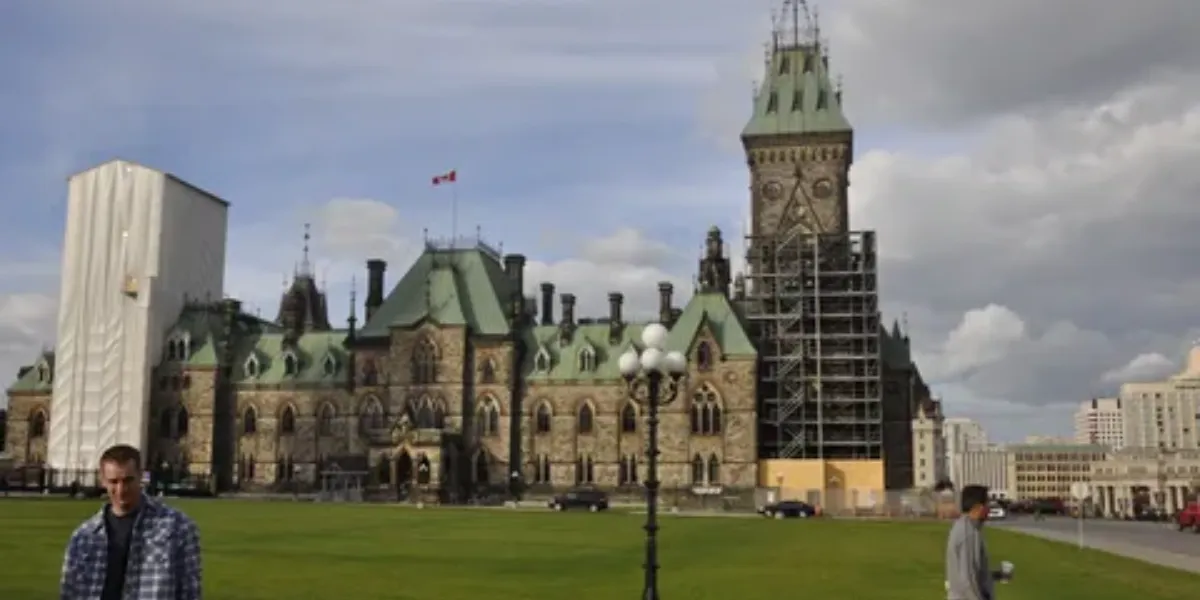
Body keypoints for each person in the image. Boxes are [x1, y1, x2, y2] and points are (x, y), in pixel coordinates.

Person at [59, 444, 202, 600]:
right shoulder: (83, 537)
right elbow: (69, 593)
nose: (121, 490)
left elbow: (190, 593)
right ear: (103, 481)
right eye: (114, 482)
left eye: (128, 481)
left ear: (141, 476)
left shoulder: (177, 527)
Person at [946, 485, 1008, 600]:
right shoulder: (967, 533)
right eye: (987, 504)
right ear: (978, 507)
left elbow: (974, 571)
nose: (989, 509)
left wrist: (996, 575)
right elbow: (967, 579)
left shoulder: (969, 528)